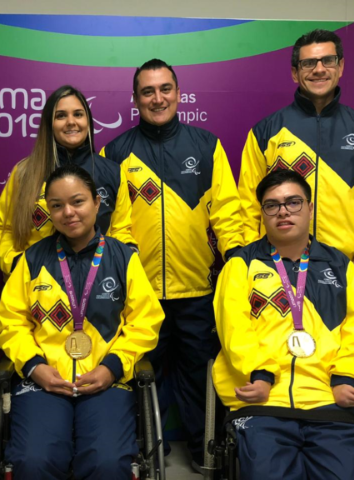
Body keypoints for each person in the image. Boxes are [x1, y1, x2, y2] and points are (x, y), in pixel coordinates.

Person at [101, 58, 243, 467]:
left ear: (179, 95)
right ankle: (150, 452)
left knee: (201, 376)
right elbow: (112, 223)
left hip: (196, 287)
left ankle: (204, 450)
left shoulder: (206, 144)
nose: (157, 98)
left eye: (165, 89)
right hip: (139, 291)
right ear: (135, 99)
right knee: (142, 377)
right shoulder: (116, 151)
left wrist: (235, 260)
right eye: (148, 91)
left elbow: (228, 212)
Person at [0, 164, 163, 479]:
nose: (68, 212)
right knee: (33, 460)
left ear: (97, 203)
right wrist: (34, 366)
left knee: (108, 463)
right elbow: (10, 322)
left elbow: (145, 322)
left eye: (78, 201)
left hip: (105, 382)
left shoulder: (123, 258)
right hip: (44, 381)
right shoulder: (31, 259)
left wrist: (112, 367)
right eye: (56, 206)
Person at [213, 169, 354, 480]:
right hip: (264, 401)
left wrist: (346, 379)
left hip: (331, 400)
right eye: (272, 205)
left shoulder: (343, 267)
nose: (283, 211)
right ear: (262, 213)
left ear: (310, 207)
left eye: (293, 202)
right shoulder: (241, 265)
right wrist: (260, 375)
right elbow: (233, 329)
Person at [239, 29, 354, 287]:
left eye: (328, 60)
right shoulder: (266, 131)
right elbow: (248, 204)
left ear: (341, 67)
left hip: (346, 271)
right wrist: (252, 261)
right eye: (308, 63)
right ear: (295, 73)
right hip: (276, 272)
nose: (319, 69)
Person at [0, 85, 135, 276]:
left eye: (78, 114)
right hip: (37, 284)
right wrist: (16, 263)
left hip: (96, 285)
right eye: (60, 116)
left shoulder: (112, 172)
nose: (71, 122)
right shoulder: (25, 172)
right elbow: (1, 228)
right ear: (49, 123)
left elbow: (120, 230)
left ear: (88, 121)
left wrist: (126, 256)